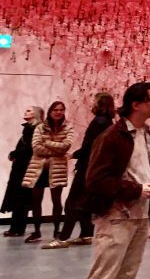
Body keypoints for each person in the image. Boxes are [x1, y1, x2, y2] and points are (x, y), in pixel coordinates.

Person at [80, 82, 150, 279]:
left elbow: (149, 176)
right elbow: (96, 180)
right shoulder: (112, 136)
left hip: (140, 216)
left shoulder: (146, 134)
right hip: (115, 217)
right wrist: (136, 190)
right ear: (136, 104)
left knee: (125, 278)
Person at [44, 93, 116, 248]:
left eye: (95, 101)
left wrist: (75, 155)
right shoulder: (108, 121)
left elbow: (90, 145)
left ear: (100, 103)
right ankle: (86, 234)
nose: (92, 103)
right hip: (94, 167)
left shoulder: (99, 121)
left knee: (73, 202)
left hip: (88, 167)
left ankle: (63, 238)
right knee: (85, 202)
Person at [22, 100, 74, 243]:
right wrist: (55, 149)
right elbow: (36, 147)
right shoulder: (40, 127)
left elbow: (66, 146)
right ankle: (37, 231)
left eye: (61, 110)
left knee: (56, 200)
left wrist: (47, 143)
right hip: (39, 168)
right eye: (56, 109)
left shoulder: (68, 127)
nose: (58, 112)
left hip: (57, 168)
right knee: (36, 200)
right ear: (50, 111)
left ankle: (57, 230)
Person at [2, 107, 43, 238]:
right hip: (21, 167)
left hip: (26, 168)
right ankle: (16, 228)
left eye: (29, 110)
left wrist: (14, 153)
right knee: (19, 198)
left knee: (21, 198)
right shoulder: (29, 129)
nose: (26, 112)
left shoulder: (35, 129)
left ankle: (17, 228)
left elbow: (30, 148)